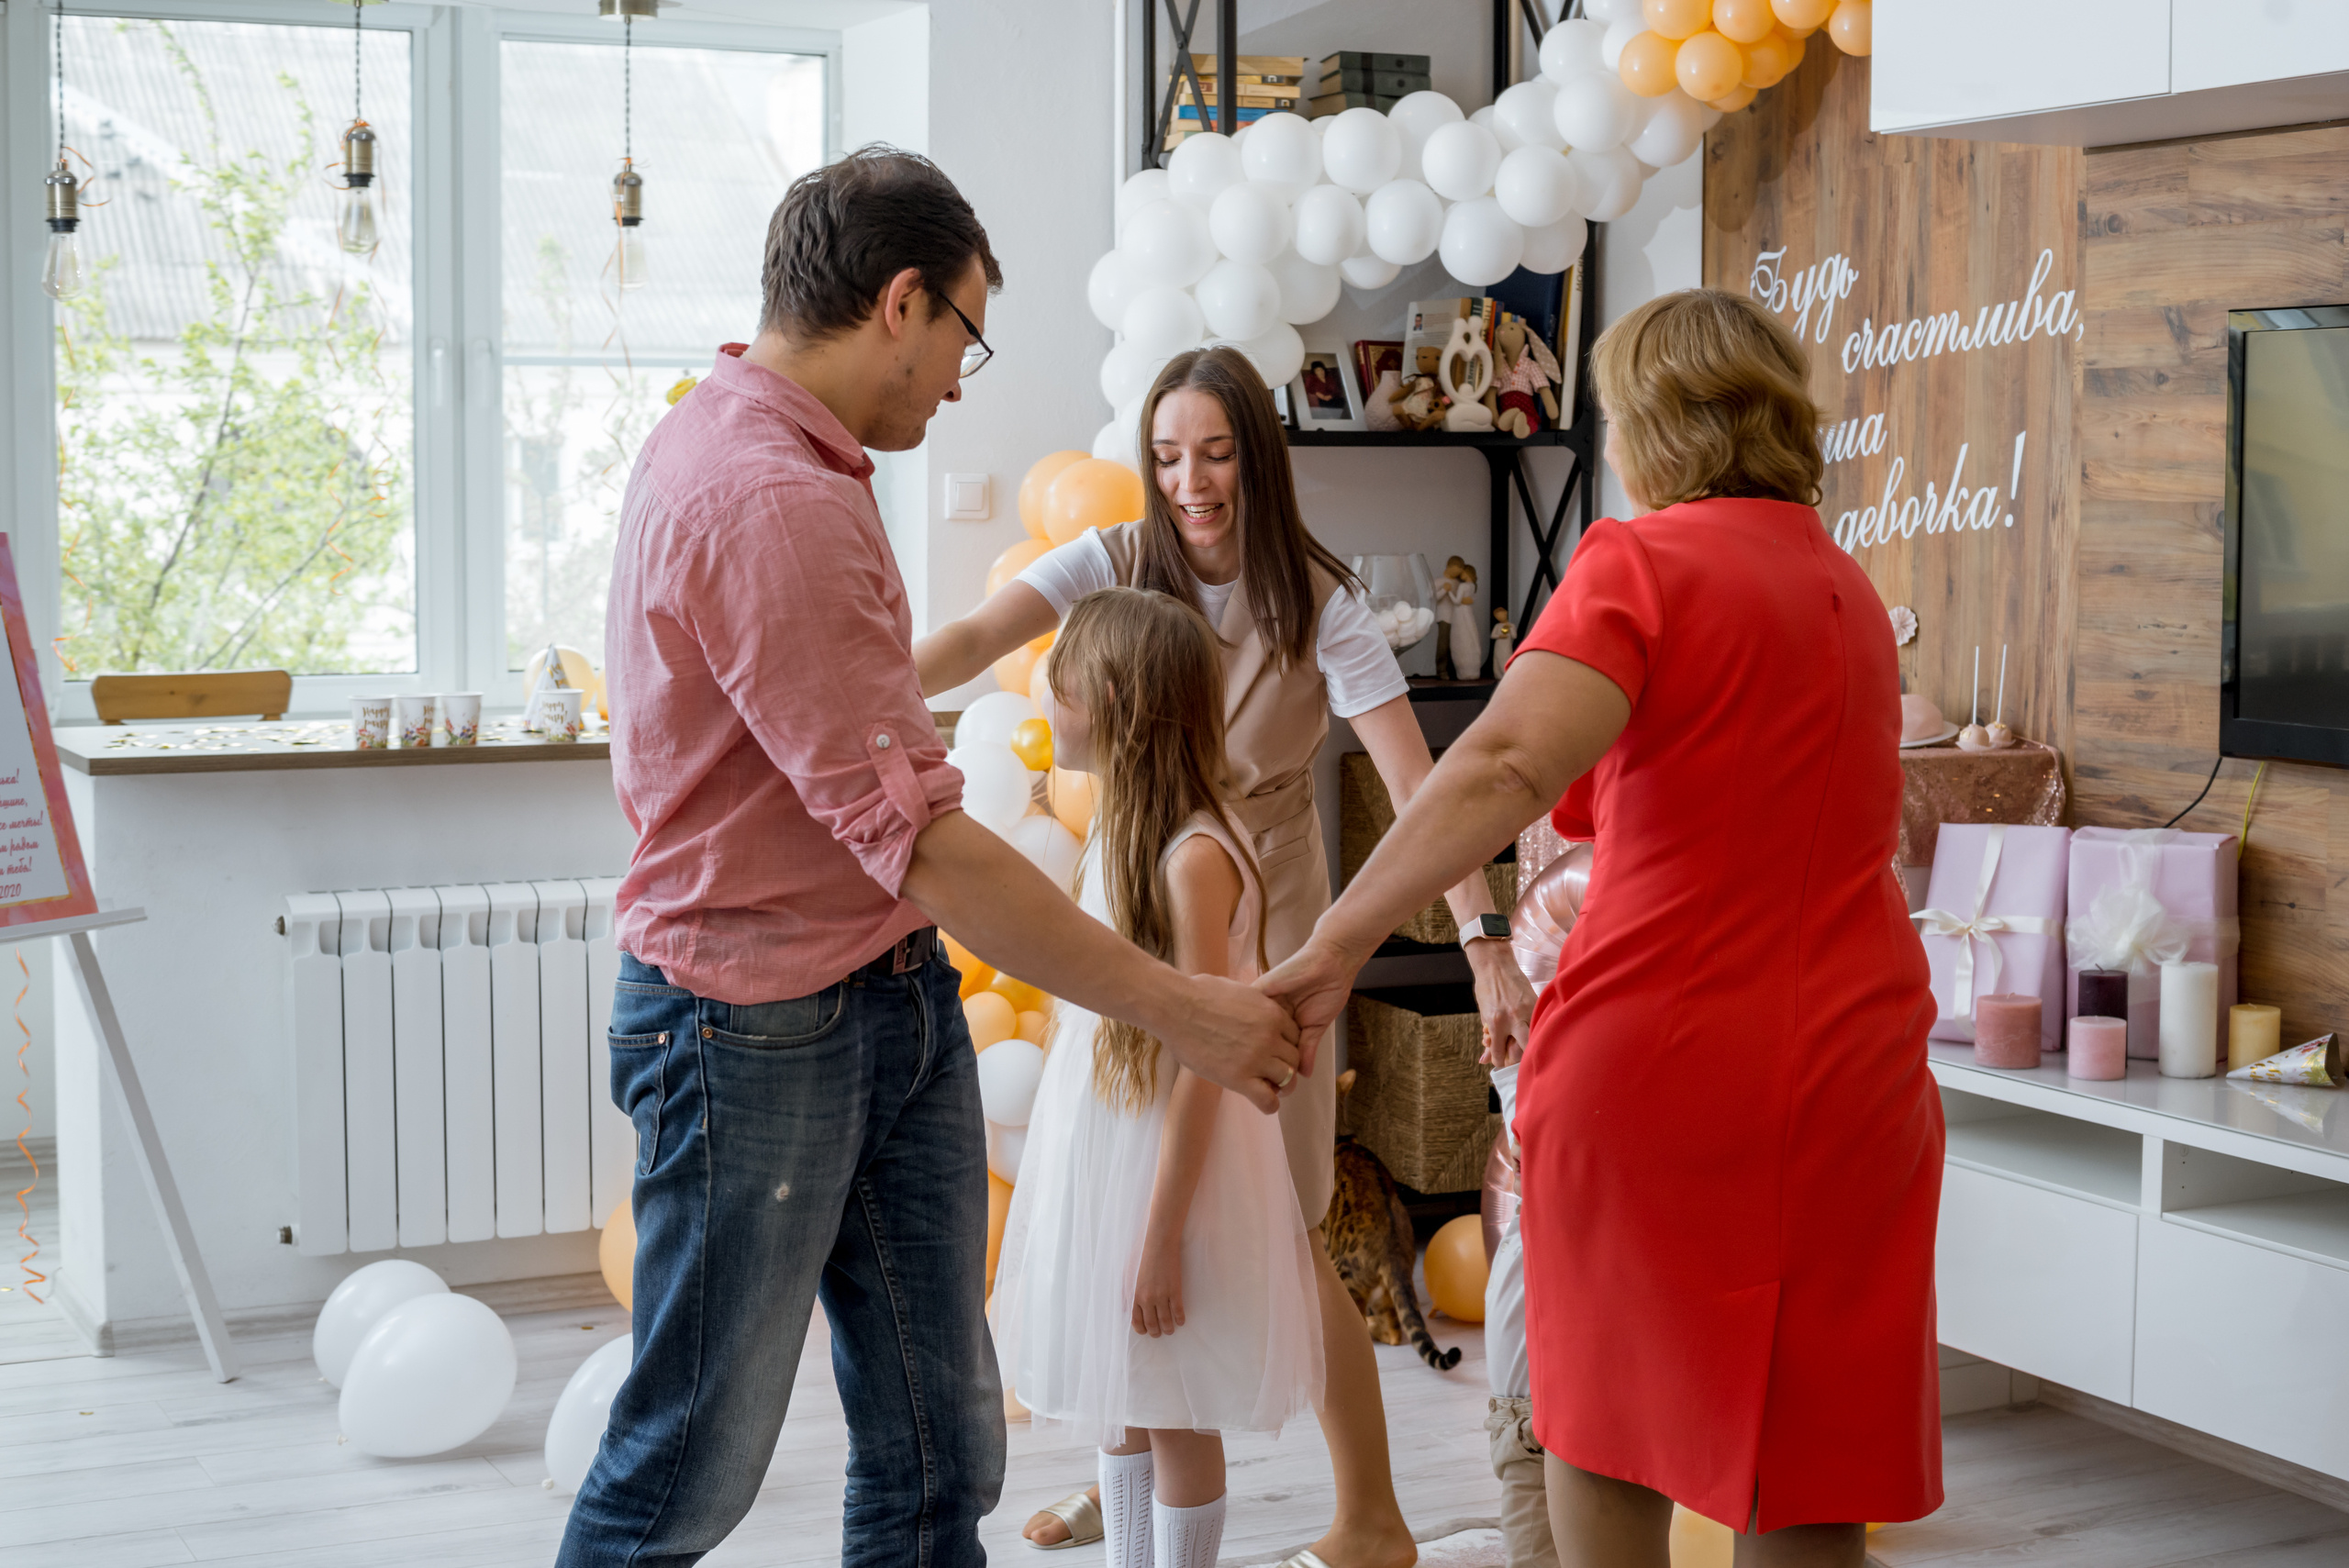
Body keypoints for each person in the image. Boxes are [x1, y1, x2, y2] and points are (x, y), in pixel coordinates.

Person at [559, 149, 1301, 1568]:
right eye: (966, 332)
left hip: (877, 993)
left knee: (940, 1448)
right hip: (758, 1025)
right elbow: (923, 843)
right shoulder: (765, 495)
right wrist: (1186, 1006)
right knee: (686, 1470)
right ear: (903, 303)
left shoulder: (784, 459)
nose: (964, 377)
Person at [1263, 288, 1945, 1568]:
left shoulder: (1641, 562)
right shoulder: (1847, 588)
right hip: (1857, 1074)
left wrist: (1332, 945)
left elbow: (1510, 763)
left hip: (1664, 1070)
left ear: (1653, 425)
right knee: (1800, 1467)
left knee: (1608, 1424)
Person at [916, 346, 1540, 1567]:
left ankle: (1373, 1515)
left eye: (1214, 451)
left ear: (1260, 455)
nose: (1189, 479)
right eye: (1165, 454)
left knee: (1278, 1217)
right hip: (1133, 918)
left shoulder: (1321, 605)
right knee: (1125, 1203)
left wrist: (1482, 939)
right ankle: (1139, 1463)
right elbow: (981, 629)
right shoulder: (1116, 560)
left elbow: (1423, 790)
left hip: (1271, 928)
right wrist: (833, 696)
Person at [992, 586, 1324, 1568]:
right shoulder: (1119, 835)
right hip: (1109, 1150)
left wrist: (1160, 1237)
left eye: (1058, 685)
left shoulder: (1195, 858)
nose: (1045, 705)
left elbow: (1203, 1062)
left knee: (1172, 1406)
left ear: (1108, 697)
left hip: (1172, 1173)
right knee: (1118, 1400)